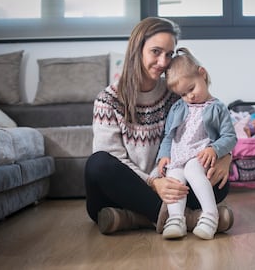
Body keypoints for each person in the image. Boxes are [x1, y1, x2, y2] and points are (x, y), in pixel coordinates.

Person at [84, 17, 234, 236]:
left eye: (169, 54)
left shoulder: (176, 94)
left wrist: (225, 156)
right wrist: (154, 183)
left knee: (220, 183)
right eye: (156, 51)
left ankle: (132, 218)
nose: (164, 62)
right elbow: (112, 158)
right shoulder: (108, 99)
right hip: (124, 190)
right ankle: (189, 219)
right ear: (138, 50)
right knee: (97, 164)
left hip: (173, 184)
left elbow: (207, 130)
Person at [157, 48, 237, 240]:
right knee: (174, 178)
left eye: (191, 89)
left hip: (200, 155)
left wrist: (215, 149)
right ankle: (176, 219)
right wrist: (164, 155)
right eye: (183, 94)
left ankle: (210, 215)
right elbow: (169, 135)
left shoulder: (217, 108)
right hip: (178, 157)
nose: (189, 97)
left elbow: (230, 137)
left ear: (202, 74)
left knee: (193, 169)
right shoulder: (178, 108)